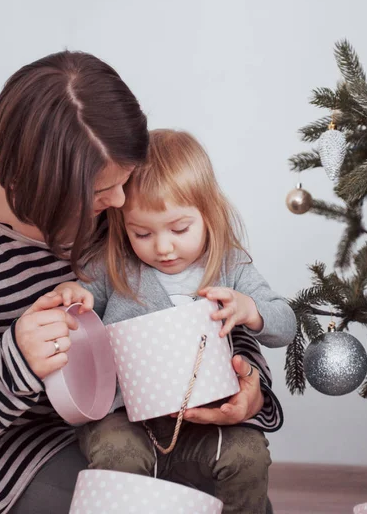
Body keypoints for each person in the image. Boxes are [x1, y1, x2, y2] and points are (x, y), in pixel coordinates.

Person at [0, 53, 281, 514]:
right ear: (43, 184)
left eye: (125, 180)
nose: (121, 202)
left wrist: (246, 382)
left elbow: (197, 288)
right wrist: (15, 358)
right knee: (130, 505)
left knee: (231, 494)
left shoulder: (106, 172)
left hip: (116, 420)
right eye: (100, 193)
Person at [52, 129, 297, 514]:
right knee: (117, 457)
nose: (163, 248)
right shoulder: (113, 265)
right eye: (142, 233)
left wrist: (250, 309)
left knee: (248, 456)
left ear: (208, 214)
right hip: (125, 419)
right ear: (122, 224)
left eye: (179, 229)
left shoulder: (229, 265)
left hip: (206, 418)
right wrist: (74, 296)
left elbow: (285, 325)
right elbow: (80, 305)